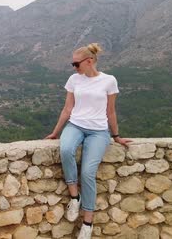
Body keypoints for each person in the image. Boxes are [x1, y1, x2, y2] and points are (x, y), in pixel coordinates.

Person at [44, 43, 132, 239]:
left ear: (89, 61)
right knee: (66, 150)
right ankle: (75, 197)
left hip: (99, 132)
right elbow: (67, 109)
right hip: (75, 126)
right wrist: (55, 132)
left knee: (88, 173)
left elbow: (111, 111)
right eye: (73, 64)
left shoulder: (109, 81)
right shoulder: (74, 79)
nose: (74, 67)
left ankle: (87, 223)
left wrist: (116, 136)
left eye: (76, 64)